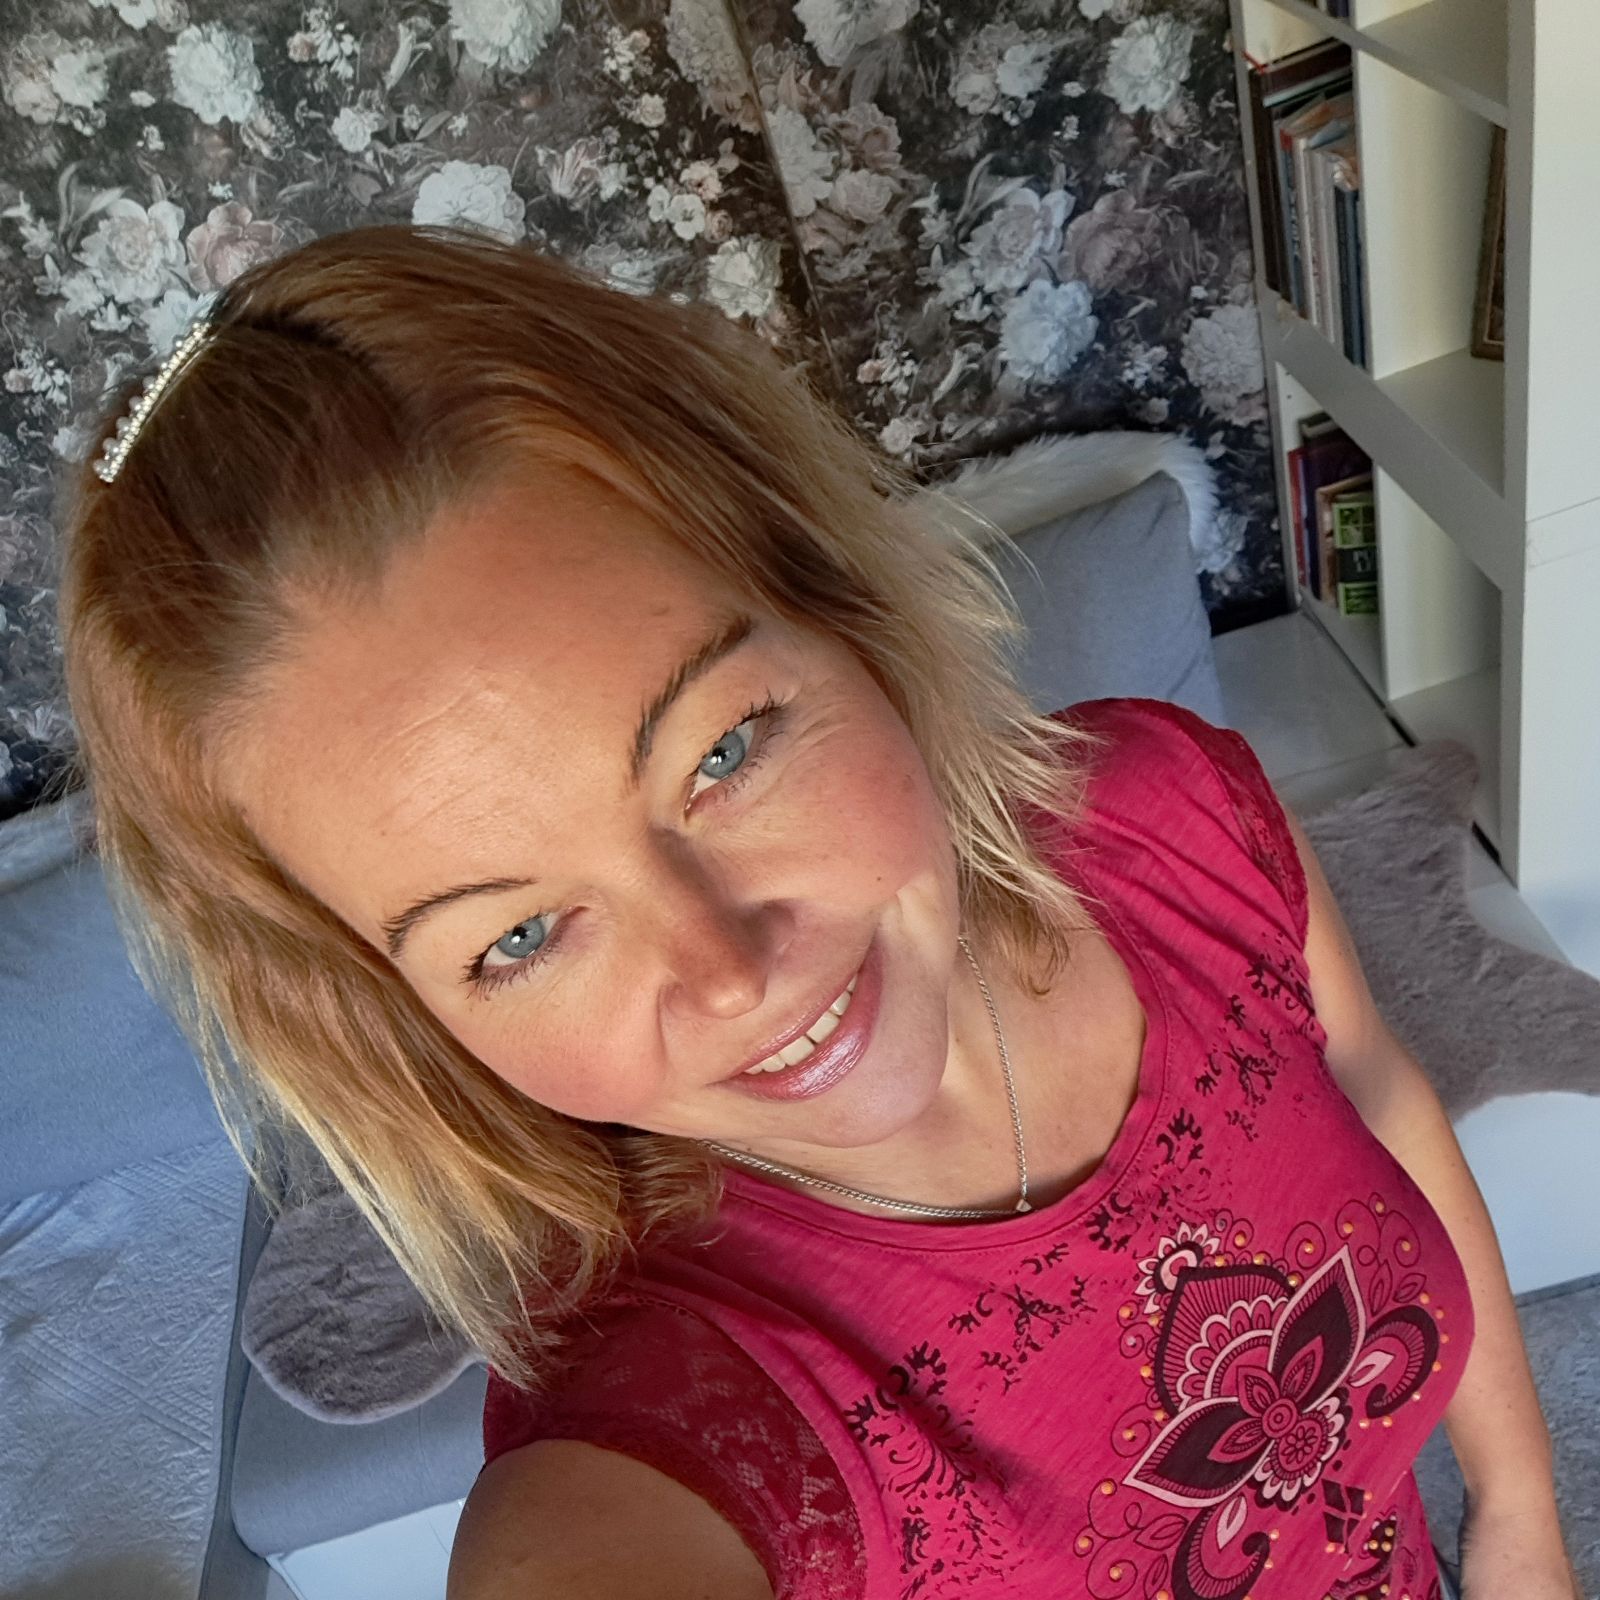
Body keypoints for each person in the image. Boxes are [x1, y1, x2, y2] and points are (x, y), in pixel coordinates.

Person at [58, 224, 1576, 1600]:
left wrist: (1517, 1520)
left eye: (723, 751)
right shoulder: (664, 1435)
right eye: (516, 938)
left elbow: (1372, 1086)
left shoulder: (1178, 816)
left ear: (840, 605)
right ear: (406, 1021)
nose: (731, 971)